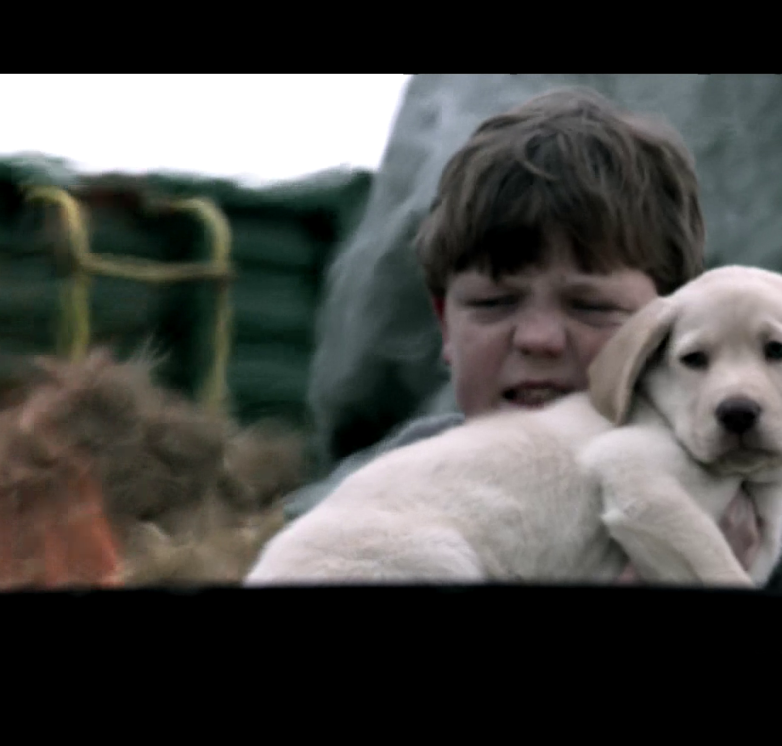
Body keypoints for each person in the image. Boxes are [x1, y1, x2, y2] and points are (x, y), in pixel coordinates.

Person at [282, 86, 761, 582]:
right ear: (446, 326)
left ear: (674, 333)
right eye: (494, 304)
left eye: (591, 307)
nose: (538, 339)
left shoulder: (748, 513)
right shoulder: (382, 511)